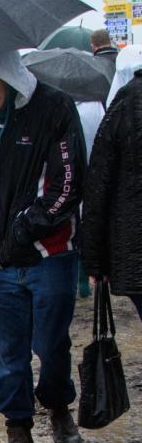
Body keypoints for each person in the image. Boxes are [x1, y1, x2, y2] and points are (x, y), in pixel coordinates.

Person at [0, 50, 86, 443]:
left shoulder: (55, 107)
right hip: (0, 262)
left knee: (51, 346)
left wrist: (23, 228)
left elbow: (68, 183)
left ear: (11, 75)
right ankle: (18, 434)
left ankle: (59, 411)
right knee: (6, 356)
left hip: (49, 254)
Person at [81, 63, 142, 321]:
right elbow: (100, 182)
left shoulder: (128, 98)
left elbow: (99, 182)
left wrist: (95, 259)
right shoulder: (129, 100)